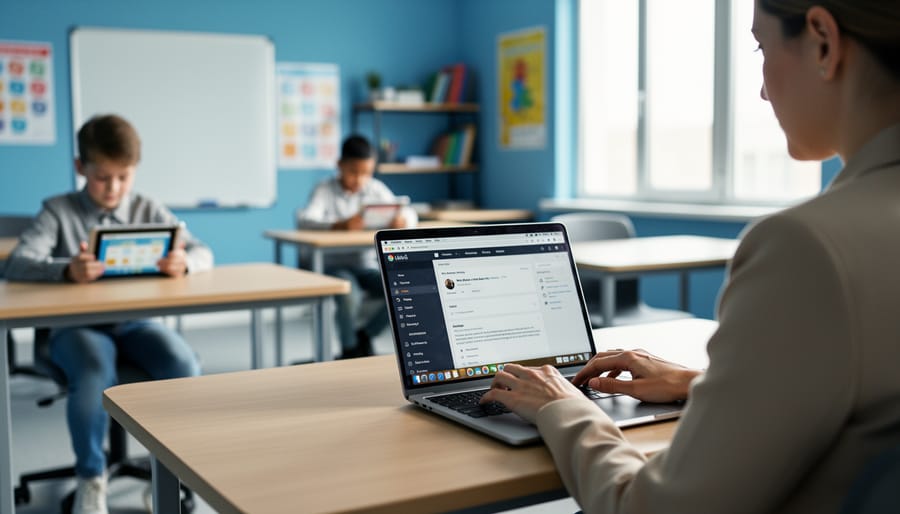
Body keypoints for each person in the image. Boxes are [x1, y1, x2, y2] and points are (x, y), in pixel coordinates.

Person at [483, 1, 900, 512]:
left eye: (760, 47)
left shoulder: (809, 248)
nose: (764, 90)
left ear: (823, 41)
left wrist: (562, 406)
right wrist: (698, 385)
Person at [5, 114, 213, 514]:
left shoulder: (148, 207)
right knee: (94, 374)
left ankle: (166, 473)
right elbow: (16, 264)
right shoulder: (57, 210)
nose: (114, 188)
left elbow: (203, 250)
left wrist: (183, 263)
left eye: (124, 177)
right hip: (77, 327)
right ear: (81, 167)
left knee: (183, 362)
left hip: (136, 323)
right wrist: (64, 269)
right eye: (103, 177)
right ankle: (91, 477)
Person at [298, 134, 417, 359]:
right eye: (354, 172)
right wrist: (339, 225)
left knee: (403, 289)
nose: (360, 179)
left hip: (364, 264)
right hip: (331, 265)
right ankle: (350, 350)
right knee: (348, 293)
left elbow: (407, 212)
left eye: (366, 173)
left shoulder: (375, 189)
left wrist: (403, 221)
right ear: (340, 165)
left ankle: (365, 335)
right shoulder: (324, 189)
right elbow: (305, 220)